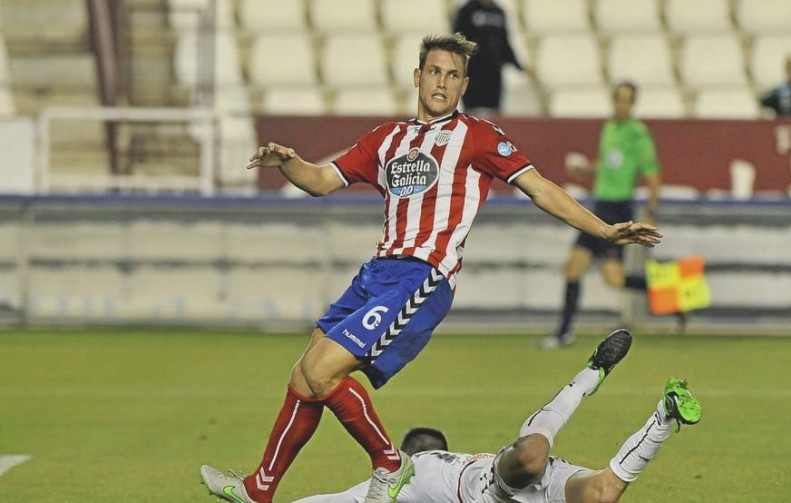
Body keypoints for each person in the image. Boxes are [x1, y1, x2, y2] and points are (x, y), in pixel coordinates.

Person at [200, 33, 662, 503]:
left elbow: (540, 188)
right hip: (376, 273)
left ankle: (389, 461)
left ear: (463, 86)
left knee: (321, 373)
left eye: (454, 75)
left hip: (423, 276)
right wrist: (289, 162)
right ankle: (261, 487)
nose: (442, 83)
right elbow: (321, 181)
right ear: (418, 76)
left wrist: (603, 231)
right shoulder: (386, 139)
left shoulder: (478, 137)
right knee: (305, 376)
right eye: (435, 72)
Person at [289, 329, 703, 503]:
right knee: (604, 493)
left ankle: (590, 373)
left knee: (531, 456)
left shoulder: (413, 473)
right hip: (517, 489)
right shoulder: (400, 477)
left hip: (497, 486)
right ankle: (664, 413)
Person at [539, 81, 661, 349]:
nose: (621, 104)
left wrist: (651, 212)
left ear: (633, 103)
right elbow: (609, 165)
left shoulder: (638, 134)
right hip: (598, 210)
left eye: (626, 100)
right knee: (573, 268)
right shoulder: (609, 128)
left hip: (619, 210)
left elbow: (652, 175)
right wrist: (588, 171)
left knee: (614, 279)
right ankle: (563, 333)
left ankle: (670, 292)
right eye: (618, 99)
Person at [452, 0, 527, 116]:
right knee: (473, 113)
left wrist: (517, 65)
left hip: (494, 71)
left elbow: (505, 41)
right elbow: (457, 39)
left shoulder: (499, 12)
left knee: (493, 113)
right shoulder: (467, 10)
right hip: (473, 71)